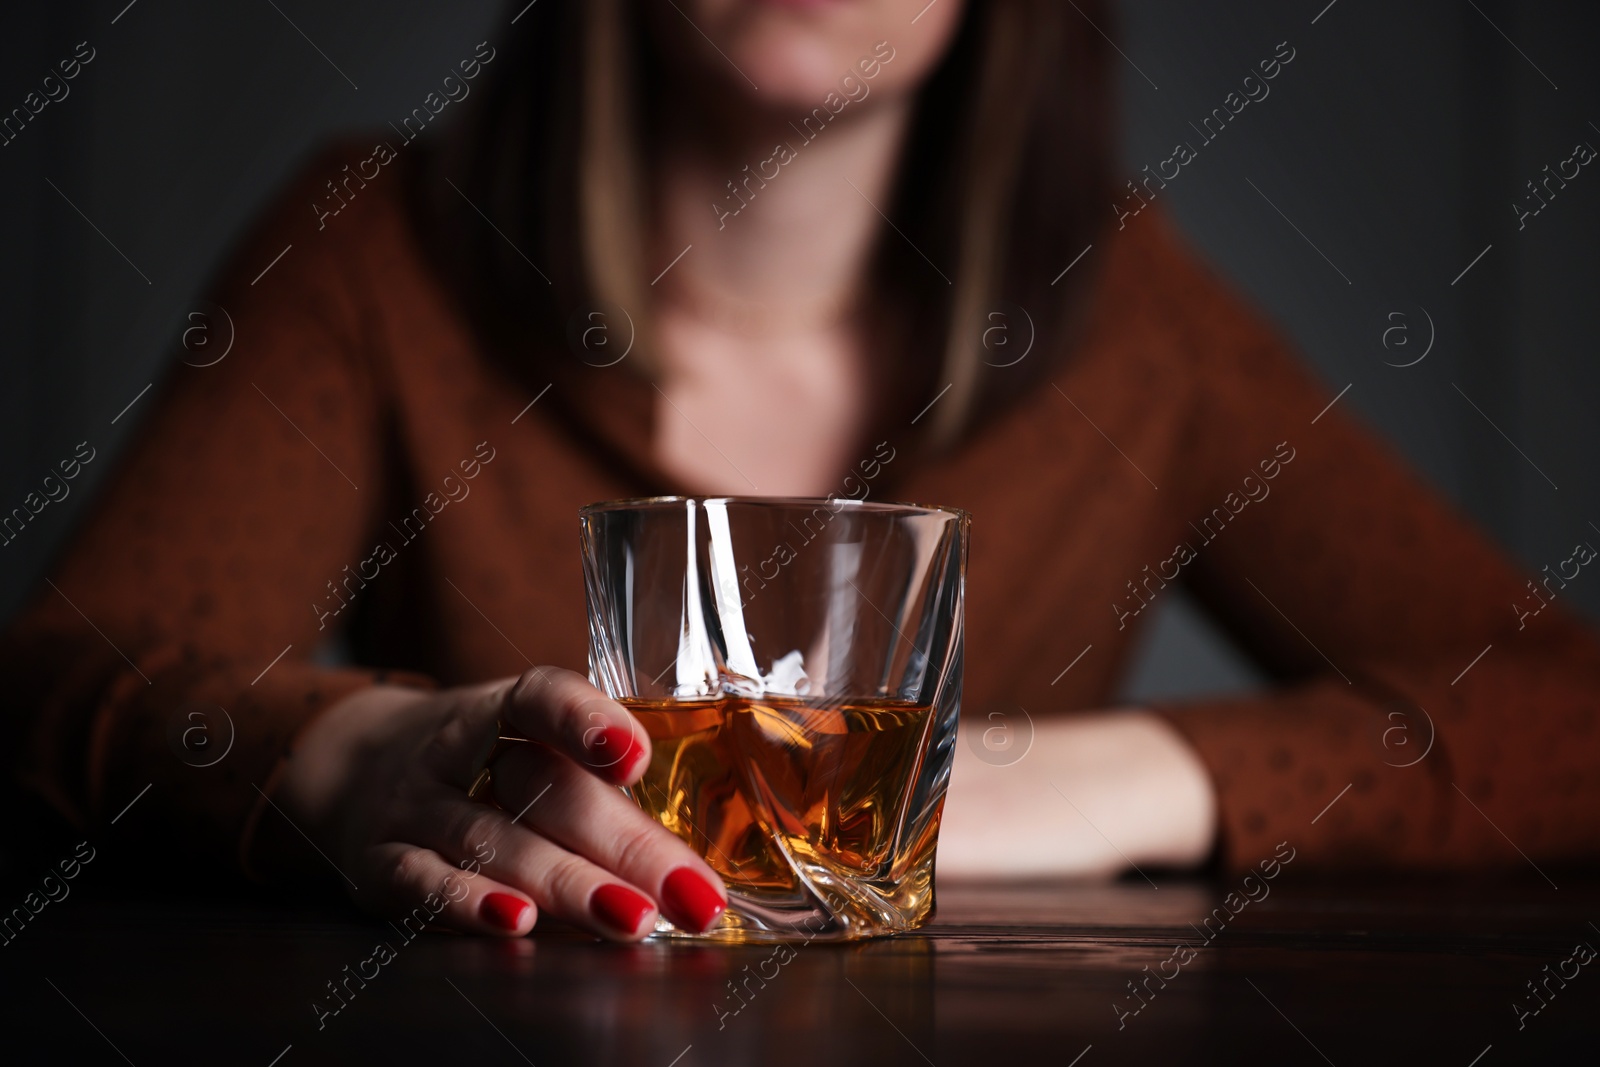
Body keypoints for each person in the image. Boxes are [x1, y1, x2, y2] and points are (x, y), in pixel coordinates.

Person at [5, 0, 1598, 943]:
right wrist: (344, 758)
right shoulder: (381, 251)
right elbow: (55, 687)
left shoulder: (1138, 325)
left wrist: (1065, 784)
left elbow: (1566, 713)